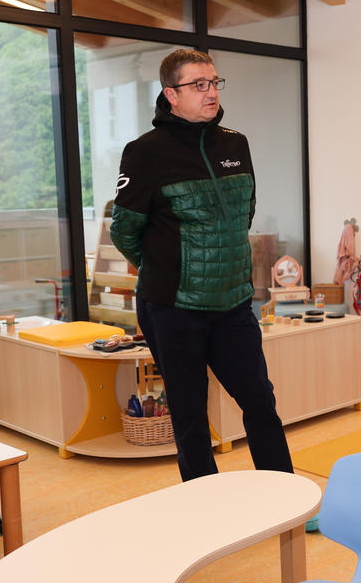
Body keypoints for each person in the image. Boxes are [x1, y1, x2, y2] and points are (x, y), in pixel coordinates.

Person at [109, 49, 292, 481]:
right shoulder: (144, 152)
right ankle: (204, 505)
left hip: (232, 304)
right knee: (189, 415)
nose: (211, 92)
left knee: (260, 402)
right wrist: (166, 267)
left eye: (214, 82)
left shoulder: (235, 143)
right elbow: (124, 230)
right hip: (173, 309)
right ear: (171, 94)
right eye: (198, 85)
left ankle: (285, 494)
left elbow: (244, 213)